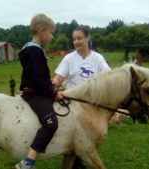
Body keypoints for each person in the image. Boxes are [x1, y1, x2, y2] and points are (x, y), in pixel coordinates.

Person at [52, 26, 111, 169]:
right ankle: (77, 159)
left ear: (87, 38)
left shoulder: (97, 58)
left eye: (79, 38)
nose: (76, 42)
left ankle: (76, 159)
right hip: (73, 104)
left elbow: (108, 77)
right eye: (74, 39)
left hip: (92, 104)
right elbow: (59, 77)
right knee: (77, 134)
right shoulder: (69, 58)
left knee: (88, 135)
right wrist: (50, 84)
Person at [14, 13, 63, 169]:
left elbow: (36, 75)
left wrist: (48, 82)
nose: (52, 36)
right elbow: (35, 80)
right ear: (42, 30)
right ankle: (28, 162)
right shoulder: (35, 51)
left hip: (36, 89)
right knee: (51, 123)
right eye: (50, 32)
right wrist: (53, 94)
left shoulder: (31, 49)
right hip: (34, 94)